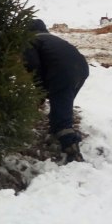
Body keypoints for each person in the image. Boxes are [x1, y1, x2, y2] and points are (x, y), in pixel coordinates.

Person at [23, 18, 89, 163]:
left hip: (62, 72)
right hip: (82, 69)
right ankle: (55, 132)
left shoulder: (31, 41)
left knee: (62, 114)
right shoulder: (52, 38)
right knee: (60, 104)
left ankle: (72, 150)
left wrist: (39, 90)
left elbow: (33, 65)